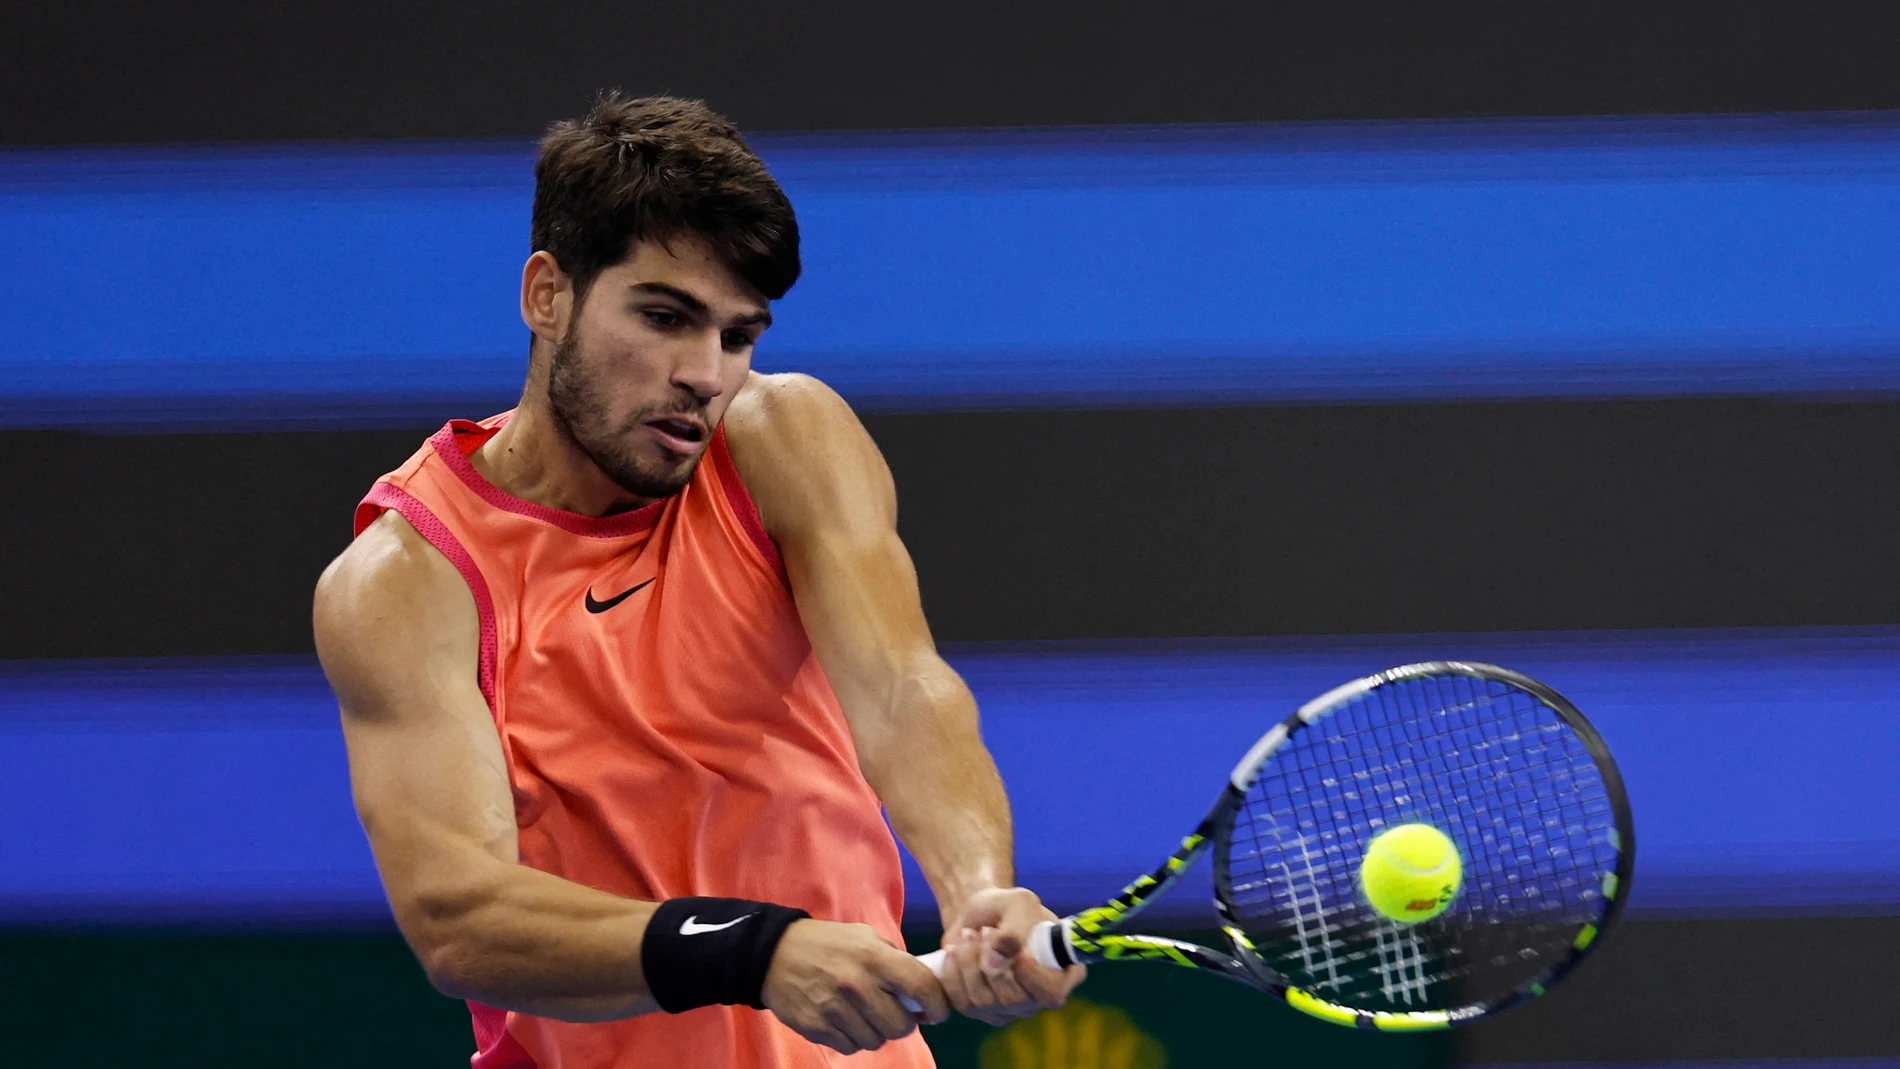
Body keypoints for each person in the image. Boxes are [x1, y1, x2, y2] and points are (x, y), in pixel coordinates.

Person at [312, 93, 1083, 1068]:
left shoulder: (785, 439)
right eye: (665, 317)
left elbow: (901, 691)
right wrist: (751, 950)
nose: (706, 374)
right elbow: (459, 919)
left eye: (736, 334)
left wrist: (978, 890)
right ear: (547, 296)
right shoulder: (408, 579)